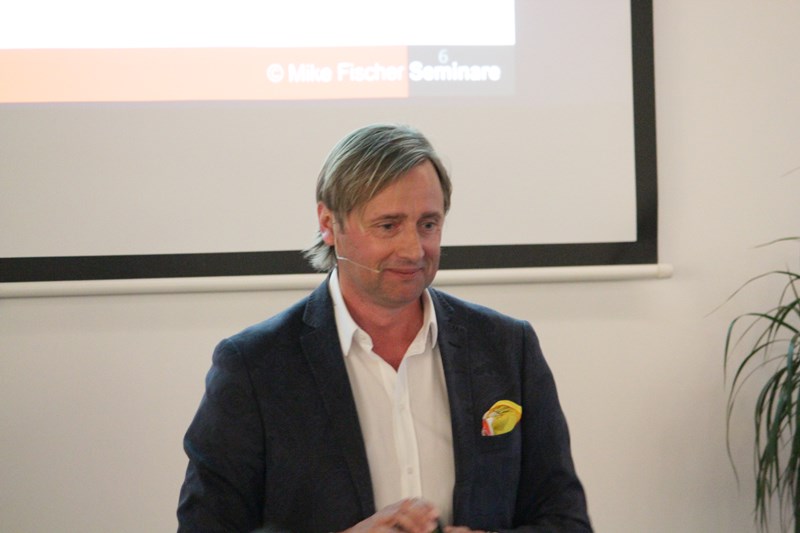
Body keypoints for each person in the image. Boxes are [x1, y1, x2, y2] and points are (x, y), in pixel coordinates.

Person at [177, 124, 592, 533]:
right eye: (388, 225)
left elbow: (567, 521)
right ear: (328, 224)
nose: (413, 250)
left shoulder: (508, 347)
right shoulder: (253, 367)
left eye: (428, 224)